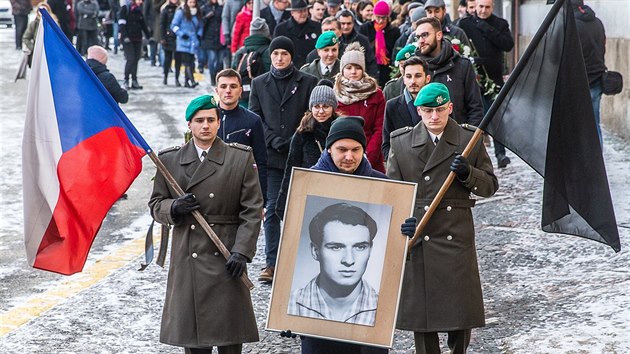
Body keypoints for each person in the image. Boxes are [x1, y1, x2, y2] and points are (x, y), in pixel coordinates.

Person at [387, 83, 498, 354]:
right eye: (427, 111)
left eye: (439, 110)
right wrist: (404, 220)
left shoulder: (469, 140)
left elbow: (489, 186)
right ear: (418, 111)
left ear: (450, 108)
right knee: (423, 319)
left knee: (460, 312)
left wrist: (467, 173)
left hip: (455, 234)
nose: (434, 117)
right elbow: (392, 193)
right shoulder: (401, 143)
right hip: (420, 234)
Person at [149, 95, 263, 354]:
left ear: (219, 122)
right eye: (199, 121)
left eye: (211, 120)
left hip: (226, 254)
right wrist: (174, 208)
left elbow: (252, 209)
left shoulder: (239, 158)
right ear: (189, 125)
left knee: (229, 339)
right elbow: (156, 204)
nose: (206, 126)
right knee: (195, 341)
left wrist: (242, 251)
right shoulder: (170, 161)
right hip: (188, 256)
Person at [297, 116, 388, 354]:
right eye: (342, 149)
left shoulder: (384, 187)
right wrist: (286, 315)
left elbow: (395, 251)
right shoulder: (308, 184)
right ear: (329, 149)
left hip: (370, 329)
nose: (349, 156)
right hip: (317, 329)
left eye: (356, 149)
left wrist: (404, 228)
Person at [249, 36, 318, 283]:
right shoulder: (259, 83)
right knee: (272, 209)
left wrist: (295, 138)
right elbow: (255, 117)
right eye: (276, 53)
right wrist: (274, 140)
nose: (279, 58)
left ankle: (300, 260)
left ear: (292, 56)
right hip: (272, 157)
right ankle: (272, 261)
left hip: (299, 155)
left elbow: (312, 113)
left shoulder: (307, 81)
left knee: (299, 209)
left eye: (284, 54)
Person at [288, 202, 379, 325]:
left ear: (370, 250)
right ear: (315, 251)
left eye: (360, 247)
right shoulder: (289, 305)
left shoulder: (385, 309)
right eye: (336, 247)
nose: (349, 260)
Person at [458, 0, 514, 168]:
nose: (483, 10)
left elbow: (507, 44)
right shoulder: (465, 24)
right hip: (472, 79)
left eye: (487, 7)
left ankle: (500, 154)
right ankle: (472, 156)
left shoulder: (500, 24)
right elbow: (459, 46)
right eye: (480, 7)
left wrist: (485, 27)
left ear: (492, 7)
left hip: (493, 78)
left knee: (497, 117)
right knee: (476, 119)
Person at [276, 81, 339, 219]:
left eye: (326, 106)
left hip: (337, 190)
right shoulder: (303, 132)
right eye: (317, 106)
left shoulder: (341, 128)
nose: (321, 111)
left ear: (333, 107)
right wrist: (283, 201)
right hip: (309, 191)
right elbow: (292, 167)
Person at [414, 17, 484, 126]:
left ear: (439, 35)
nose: (421, 41)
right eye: (418, 37)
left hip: (459, 138)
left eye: (425, 35)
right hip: (424, 139)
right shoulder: (414, 68)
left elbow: (475, 107)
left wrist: (468, 136)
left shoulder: (462, 65)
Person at [215, 68, 268, 205]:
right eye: (223, 86)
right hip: (211, 189)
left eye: (233, 86)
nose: (228, 90)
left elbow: (260, 161)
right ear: (216, 90)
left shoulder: (253, 120)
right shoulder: (206, 119)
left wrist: (261, 200)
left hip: (242, 190)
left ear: (240, 90)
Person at [334, 42, 386, 172]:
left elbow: (380, 128)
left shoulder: (376, 93)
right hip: (341, 159)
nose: (353, 72)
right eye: (349, 67)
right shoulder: (335, 94)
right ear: (342, 69)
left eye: (357, 67)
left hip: (370, 159)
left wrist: (367, 155)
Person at [382, 56, 430, 161]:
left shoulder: (437, 105)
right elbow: (386, 145)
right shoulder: (392, 106)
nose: (413, 81)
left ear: (427, 78)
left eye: (418, 76)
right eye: (408, 76)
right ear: (403, 79)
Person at [571, 0, 606, 144]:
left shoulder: (572, 25)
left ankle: (583, 161)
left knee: (576, 125)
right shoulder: (597, 22)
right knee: (594, 123)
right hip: (597, 77)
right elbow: (602, 49)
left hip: (577, 80)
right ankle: (598, 158)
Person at [231, 18, 272, 107]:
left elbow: (233, 73)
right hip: (265, 99)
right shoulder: (270, 52)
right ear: (266, 33)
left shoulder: (240, 52)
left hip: (243, 97)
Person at [358, 1, 400, 87]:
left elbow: (395, 51)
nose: (380, 21)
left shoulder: (394, 31)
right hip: (369, 68)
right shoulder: (365, 28)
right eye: (378, 17)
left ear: (388, 17)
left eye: (383, 18)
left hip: (387, 70)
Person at [273, 0, 321, 69]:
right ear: (292, 13)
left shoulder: (317, 27)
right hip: (289, 68)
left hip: (311, 68)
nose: (303, 14)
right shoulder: (281, 29)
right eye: (300, 11)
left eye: (305, 10)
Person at [118, 0, 151, 90]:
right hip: (127, 39)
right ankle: (126, 80)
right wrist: (124, 36)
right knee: (130, 59)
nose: (141, 1)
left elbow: (143, 24)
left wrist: (149, 36)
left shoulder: (138, 10)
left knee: (136, 59)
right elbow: (121, 24)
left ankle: (134, 80)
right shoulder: (125, 9)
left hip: (137, 38)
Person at [336, 10, 378, 78]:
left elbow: (371, 63)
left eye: (348, 23)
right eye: (343, 23)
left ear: (353, 23)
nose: (346, 26)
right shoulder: (335, 40)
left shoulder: (363, 40)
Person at [170, 0, 203, 88]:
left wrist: (199, 35)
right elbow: (173, 25)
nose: (192, 4)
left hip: (193, 42)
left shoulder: (197, 13)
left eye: (194, 2)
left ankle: (187, 81)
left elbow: (200, 26)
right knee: (188, 62)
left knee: (191, 62)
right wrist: (181, 34)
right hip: (183, 42)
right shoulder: (180, 12)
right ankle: (191, 80)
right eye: (190, 2)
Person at [22, 2, 58, 67]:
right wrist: (33, 48)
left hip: (50, 54)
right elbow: (25, 37)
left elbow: (58, 38)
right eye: (40, 11)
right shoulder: (34, 24)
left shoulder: (54, 24)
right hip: (38, 55)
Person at [199, 0, 226, 86]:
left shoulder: (221, 8)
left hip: (220, 38)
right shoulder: (204, 8)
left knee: (220, 61)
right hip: (209, 38)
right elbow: (200, 24)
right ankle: (212, 77)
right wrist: (206, 17)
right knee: (212, 60)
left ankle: (218, 78)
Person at [160, 0, 181, 86]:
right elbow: (162, 24)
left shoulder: (180, 9)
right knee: (167, 59)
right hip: (168, 37)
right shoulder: (166, 9)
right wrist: (162, 38)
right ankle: (165, 76)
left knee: (178, 59)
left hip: (178, 37)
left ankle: (177, 78)